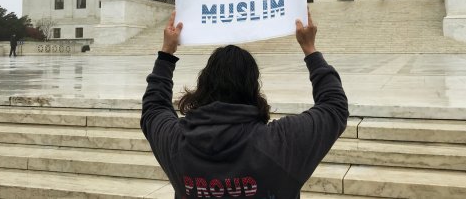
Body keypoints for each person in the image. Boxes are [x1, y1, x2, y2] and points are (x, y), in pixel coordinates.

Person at [141, 11, 348, 198]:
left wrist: (166, 54)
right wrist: (310, 49)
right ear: (253, 89)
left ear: (203, 85)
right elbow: (334, 107)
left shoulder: (176, 143)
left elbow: (154, 107)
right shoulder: (281, 142)